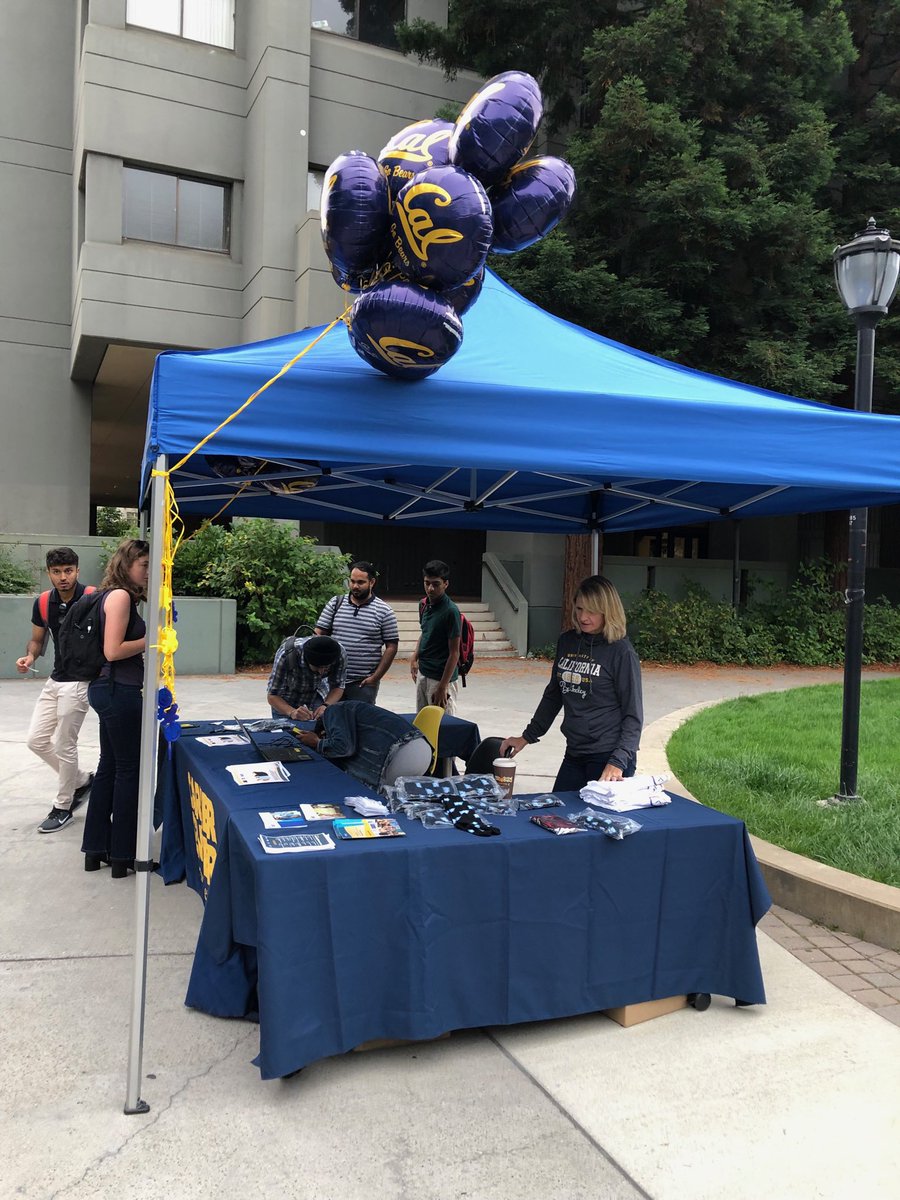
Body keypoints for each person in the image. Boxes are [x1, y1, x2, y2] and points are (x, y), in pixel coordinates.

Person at [500, 575, 643, 791]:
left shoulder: (621, 652)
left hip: (608, 757)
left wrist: (618, 761)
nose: (583, 617)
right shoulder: (567, 642)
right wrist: (526, 737)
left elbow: (633, 715)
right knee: (558, 816)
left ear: (608, 610)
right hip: (574, 753)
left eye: (591, 611)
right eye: (579, 609)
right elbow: (554, 695)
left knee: (596, 823)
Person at [81, 538, 150, 877]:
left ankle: (95, 850)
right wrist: (154, 640)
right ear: (127, 565)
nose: (149, 573)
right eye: (144, 565)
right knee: (128, 771)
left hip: (106, 690)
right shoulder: (121, 596)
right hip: (118, 690)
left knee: (109, 767)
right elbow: (113, 650)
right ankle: (123, 855)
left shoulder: (109, 595)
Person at [16, 547, 97, 834]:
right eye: (57, 572)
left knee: (65, 743)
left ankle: (63, 807)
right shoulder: (42, 602)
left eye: (68, 571)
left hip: (81, 680)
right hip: (56, 679)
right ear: (49, 573)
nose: (63, 577)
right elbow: (37, 640)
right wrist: (30, 657)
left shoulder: (92, 597)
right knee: (35, 740)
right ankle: (82, 780)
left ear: (76, 569)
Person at [296, 701, 432, 792]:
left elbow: (344, 747)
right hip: (424, 750)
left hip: (399, 755)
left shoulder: (332, 711)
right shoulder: (353, 708)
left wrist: (317, 743)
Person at [314, 560, 399, 703]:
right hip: (332, 681)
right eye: (352, 581)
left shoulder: (384, 611)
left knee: (360, 722)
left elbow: (392, 647)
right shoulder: (336, 603)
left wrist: (375, 677)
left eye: (360, 582)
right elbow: (318, 634)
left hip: (363, 684)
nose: (355, 586)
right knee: (328, 720)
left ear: (372, 582)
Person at [410, 559, 461, 714]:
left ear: (446, 584)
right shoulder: (423, 604)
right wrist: (414, 657)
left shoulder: (451, 611)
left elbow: (454, 653)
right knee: (422, 724)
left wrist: (442, 686)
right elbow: (425, 632)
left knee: (443, 727)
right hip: (423, 673)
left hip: (440, 678)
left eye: (436, 584)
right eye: (427, 583)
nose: (430, 588)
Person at [266, 634, 346, 721]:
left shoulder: (339, 654)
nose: (321, 672)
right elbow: (273, 695)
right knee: (286, 732)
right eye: (317, 668)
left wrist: (326, 705)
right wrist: (292, 712)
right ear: (307, 661)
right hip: (286, 699)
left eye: (326, 668)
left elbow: (338, 686)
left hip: (318, 695)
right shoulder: (287, 655)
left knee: (318, 729)